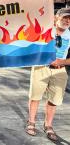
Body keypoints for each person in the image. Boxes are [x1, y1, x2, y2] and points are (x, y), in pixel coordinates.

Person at [25, 8, 70, 142]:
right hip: (41, 67)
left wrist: (62, 61)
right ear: (56, 18)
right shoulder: (45, 30)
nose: (67, 21)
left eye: (69, 19)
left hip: (60, 70)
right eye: (64, 18)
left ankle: (48, 125)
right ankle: (31, 122)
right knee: (35, 96)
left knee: (54, 99)